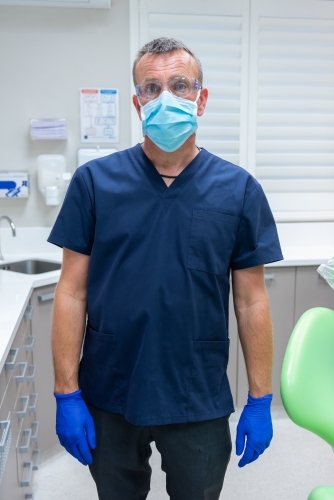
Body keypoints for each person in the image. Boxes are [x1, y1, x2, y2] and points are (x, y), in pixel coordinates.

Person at [48, 37, 283, 500]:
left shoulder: (238, 190)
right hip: (111, 387)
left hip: (195, 391)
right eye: (152, 89)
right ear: (138, 104)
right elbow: (72, 291)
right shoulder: (95, 183)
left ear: (202, 98)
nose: (166, 98)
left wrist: (260, 398)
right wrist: (66, 392)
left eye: (180, 85)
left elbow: (252, 300)